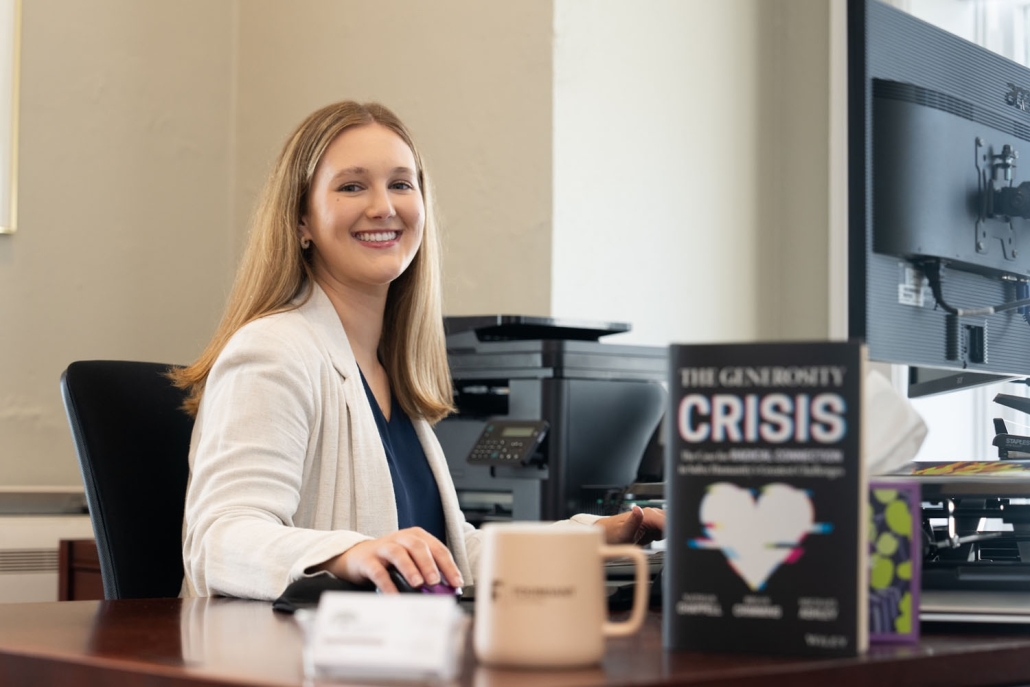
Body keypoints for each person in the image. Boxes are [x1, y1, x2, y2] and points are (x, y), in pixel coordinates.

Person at [172, 100, 664, 601]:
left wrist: (595, 537)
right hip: (292, 662)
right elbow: (219, 539)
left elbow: (456, 559)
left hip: (396, 655)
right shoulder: (272, 351)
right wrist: (348, 553)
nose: (383, 206)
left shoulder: (387, 371)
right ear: (301, 221)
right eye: (352, 185)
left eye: (401, 184)